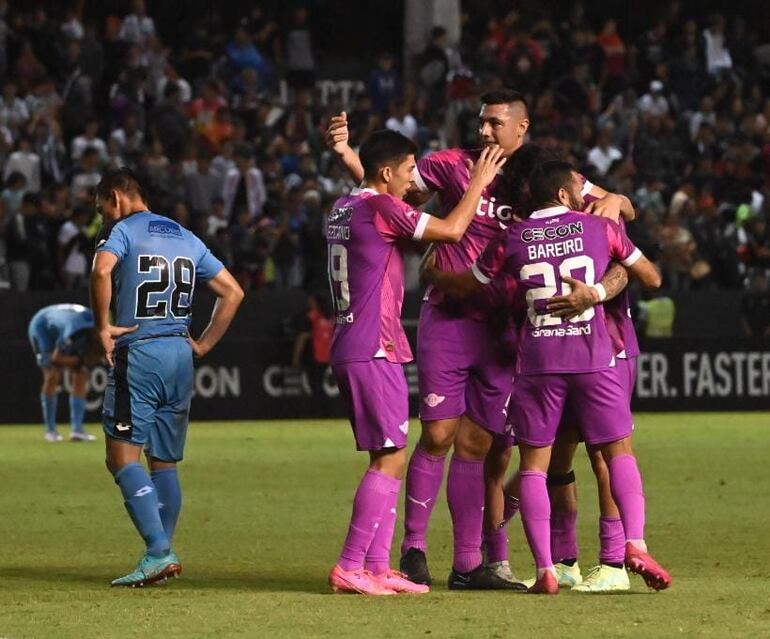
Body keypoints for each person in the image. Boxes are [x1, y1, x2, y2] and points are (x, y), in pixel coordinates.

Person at [326, 89, 633, 589]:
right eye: (481, 123)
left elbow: (618, 207)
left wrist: (616, 200)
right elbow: (389, 191)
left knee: (483, 444)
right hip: (449, 319)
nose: (484, 132)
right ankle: (414, 548)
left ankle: (470, 563)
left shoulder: (541, 175)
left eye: (494, 123)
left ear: (522, 127)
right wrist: (347, 156)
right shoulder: (452, 165)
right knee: (439, 434)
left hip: (507, 328)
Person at [425, 160, 670, 594]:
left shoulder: (510, 237)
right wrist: (595, 290)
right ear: (563, 193)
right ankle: (632, 544)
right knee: (616, 454)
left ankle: (547, 570)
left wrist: (434, 274)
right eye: (578, 188)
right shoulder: (598, 227)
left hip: (538, 363)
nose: (583, 194)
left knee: (535, 467)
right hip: (595, 356)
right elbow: (651, 275)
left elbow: (470, 286)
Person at [327, 130, 505, 595]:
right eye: (408, 172)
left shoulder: (345, 207)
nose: (413, 181)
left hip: (354, 342)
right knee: (390, 457)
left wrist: (349, 156)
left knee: (389, 456)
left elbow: (392, 210)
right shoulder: (380, 208)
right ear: (387, 172)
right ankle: (351, 565)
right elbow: (451, 230)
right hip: (372, 345)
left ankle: (380, 567)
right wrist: (477, 183)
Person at [91, 168, 244, 587]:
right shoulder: (185, 236)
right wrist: (205, 344)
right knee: (165, 462)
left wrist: (102, 326)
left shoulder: (121, 231)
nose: (103, 215)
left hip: (140, 351)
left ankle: (158, 551)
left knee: (121, 458)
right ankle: (160, 551)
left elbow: (102, 271)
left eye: (102, 205)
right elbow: (233, 292)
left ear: (117, 198)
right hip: (180, 353)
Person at [28, 303, 102, 442]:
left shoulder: (97, 331)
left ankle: (77, 430)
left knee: (82, 374)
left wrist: (82, 362)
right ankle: (51, 431)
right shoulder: (75, 331)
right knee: (53, 375)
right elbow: (57, 358)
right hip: (43, 327)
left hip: (64, 326)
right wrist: (79, 361)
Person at [291, 290, 334, 415]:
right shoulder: (331, 318)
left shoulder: (312, 317)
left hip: (316, 356)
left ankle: (319, 412)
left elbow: (302, 338)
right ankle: (323, 411)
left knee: (315, 385)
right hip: (328, 356)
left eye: (311, 300)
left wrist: (296, 357)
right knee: (319, 385)